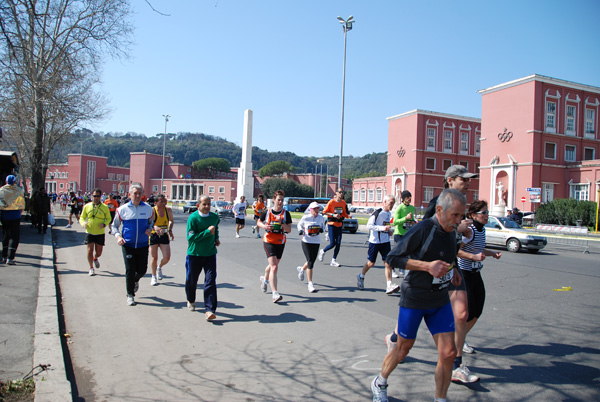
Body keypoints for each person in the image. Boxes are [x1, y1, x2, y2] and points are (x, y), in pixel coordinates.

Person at [370, 189, 465, 402]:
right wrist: (427, 266)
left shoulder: (451, 230)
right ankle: (380, 381)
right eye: (455, 215)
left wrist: (454, 269)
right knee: (403, 348)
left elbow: (450, 255)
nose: (458, 221)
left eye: (461, 216)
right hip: (415, 298)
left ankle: (440, 399)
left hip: (439, 299)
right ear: (440, 210)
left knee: (449, 353)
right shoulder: (423, 229)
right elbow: (393, 258)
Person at [421, 164, 479, 384]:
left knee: (461, 314)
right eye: (464, 180)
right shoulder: (437, 203)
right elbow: (425, 231)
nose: (468, 183)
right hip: (432, 267)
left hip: (453, 265)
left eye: (469, 179)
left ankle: (457, 366)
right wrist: (458, 228)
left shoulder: (463, 204)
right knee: (414, 316)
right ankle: (396, 338)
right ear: (450, 180)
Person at [454, 200, 501, 383]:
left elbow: (480, 249)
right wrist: (473, 256)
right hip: (464, 273)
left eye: (487, 212)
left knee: (477, 311)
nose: (486, 215)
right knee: (465, 313)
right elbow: (458, 251)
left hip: (475, 272)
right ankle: (458, 345)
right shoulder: (470, 230)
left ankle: (461, 338)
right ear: (473, 215)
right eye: (483, 212)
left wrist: (492, 254)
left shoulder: (482, 230)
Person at [111, 184, 153, 306]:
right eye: (135, 193)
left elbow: (151, 223)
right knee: (130, 270)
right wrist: (118, 236)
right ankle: (130, 295)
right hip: (128, 244)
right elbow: (114, 226)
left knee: (142, 270)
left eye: (140, 193)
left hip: (143, 244)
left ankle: (135, 280)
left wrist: (150, 229)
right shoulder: (122, 209)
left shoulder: (148, 209)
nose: (138, 195)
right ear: (129, 194)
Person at [185, 195, 221, 320]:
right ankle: (191, 299)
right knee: (191, 280)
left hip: (210, 254)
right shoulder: (193, 218)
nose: (207, 207)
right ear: (198, 205)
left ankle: (210, 309)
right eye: (204, 204)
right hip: (195, 254)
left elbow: (215, 229)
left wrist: (215, 238)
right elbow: (191, 237)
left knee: (210, 281)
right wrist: (207, 233)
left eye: (209, 204)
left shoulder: (214, 217)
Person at [357, 194, 400, 294]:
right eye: (390, 203)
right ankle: (361, 275)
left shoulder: (389, 214)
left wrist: (389, 231)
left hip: (385, 241)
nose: (392, 205)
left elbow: (386, 225)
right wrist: (382, 228)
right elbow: (370, 226)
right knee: (371, 263)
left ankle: (389, 285)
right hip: (375, 241)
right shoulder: (377, 213)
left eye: (393, 203)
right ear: (384, 202)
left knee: (388, 263)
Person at [257, 190, 292, 303]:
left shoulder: (286, 214)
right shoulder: (268, 212)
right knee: (275, 267)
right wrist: (264, 227)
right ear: (274, 200)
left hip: (280, 242)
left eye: (282, 200)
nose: (280, 202)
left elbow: (289, 230)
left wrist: (282, 223)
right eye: (279, 200)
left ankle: (264, 279)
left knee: (273, 265)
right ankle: (275, 293)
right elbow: (258, 222)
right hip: (269, 241)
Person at [296, 202, 327, 293]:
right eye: (314, 209)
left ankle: (302, 269)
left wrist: (322, 229)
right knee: (310, 261)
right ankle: (310, 284)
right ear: (311, 210)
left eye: (317, 209)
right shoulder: (306, 218)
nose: (316, 211)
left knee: (312, 261)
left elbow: (323, 227)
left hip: (316, 241)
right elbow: (299, 225)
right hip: (306, 241)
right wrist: (300, 231)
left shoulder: (321, 218)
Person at [80, 188, 111, 276]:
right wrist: (83, 223)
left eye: (97, 196)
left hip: (100, 233)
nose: (96, 198)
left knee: (99, 252)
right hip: (89, 231)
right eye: (94, 196)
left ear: (100, 197)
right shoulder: (87, 206)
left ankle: (95, 258)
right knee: (89, 250)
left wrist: (104, 224)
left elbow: (109, 218)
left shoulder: (104, 207)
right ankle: (91, 268)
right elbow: (82, 217)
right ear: (91, 196)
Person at [318, 188, 352, 267]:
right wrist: (333, 215)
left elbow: (344, 213)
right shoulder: (331, 202)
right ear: (336, 193)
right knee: (332, 243)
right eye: (340, 192)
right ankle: (323, 251)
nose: (341, 194)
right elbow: (324, 212)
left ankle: (333, 260)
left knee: (338, 243)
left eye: (342, 192)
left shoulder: (343, 203)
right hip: (332, 224)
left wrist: (348, 216)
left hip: (339, 224)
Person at [149, 194, 174, 286]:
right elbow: (147, 223)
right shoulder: (152, 211)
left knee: (167, 257)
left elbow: (171, 220)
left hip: (164, 235)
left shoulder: (168, 210)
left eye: (165, 201)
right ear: (155, 202)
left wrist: (170, 230)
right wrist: (155, 227)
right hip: (153, 235)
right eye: (161, 201)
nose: (164, 203)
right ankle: (153, 276)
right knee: (154, 257)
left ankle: (159, 267)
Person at [0, 175, 25, 265]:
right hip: (15, 215)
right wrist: (19, 212)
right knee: (14, 237)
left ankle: (4, 255)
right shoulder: (18, 190)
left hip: (4, 215)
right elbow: (21, 204)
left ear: (6, 181)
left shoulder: (1, 190)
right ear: (14, 181)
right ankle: (10, 257)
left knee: (5, 235)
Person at [391, 190, 417, 278]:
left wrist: (413, 222)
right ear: (403, 199)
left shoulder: (412, 208)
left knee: (407, 252)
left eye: (410, 197)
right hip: (399, 233)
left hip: (408, 233)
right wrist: (405, 218)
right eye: (407, 197)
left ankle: (402, 268)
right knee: (397, 252)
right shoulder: (400, 208)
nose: (409, 199)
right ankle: (392, 269)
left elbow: (411, 220)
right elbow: (395, 222)